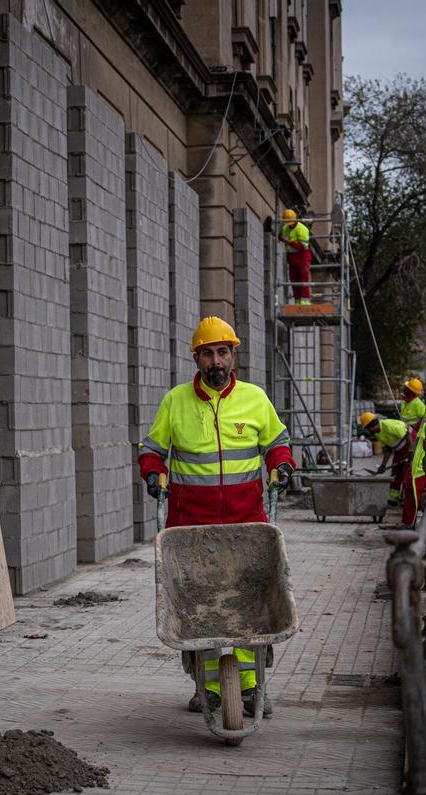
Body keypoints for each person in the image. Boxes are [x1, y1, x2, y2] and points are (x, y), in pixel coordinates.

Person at [139, 316, 296, 717]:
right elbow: (152, 449)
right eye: (207, 353)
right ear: (196, 357)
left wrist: (282, 465)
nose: (216, 361)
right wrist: (153, 473)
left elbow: (277, 442)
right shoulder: (175, 402)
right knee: (199, 609)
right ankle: (206, 687)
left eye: (222, 352)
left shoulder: (255, 399)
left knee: (251, 606)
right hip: (192, 529)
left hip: (247, 526)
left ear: (233, 355)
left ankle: (249, 686)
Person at [359, 412, 414, 510]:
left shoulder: (388, 425)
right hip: (399, 449)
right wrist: (383, 465)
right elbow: (388, 449)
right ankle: (393, 499)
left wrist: (411, 451)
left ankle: (407, 499)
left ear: (372, 425)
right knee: (395, 473)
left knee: (406, 472)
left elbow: (408, 435)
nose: (369, 432)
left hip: (409, 443)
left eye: (368, 429)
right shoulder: (379, 434)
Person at [279, 209, 312, 305]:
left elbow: (303, 247)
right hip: (292, 260)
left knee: (303, 280)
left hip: (303, 259)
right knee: (294, 281)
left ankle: (305, 303)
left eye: (290, 223)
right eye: (287, 223)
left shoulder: (302, 229)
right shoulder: (285, 228)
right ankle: (297, 302)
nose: (289, 225)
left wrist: (288, 241)